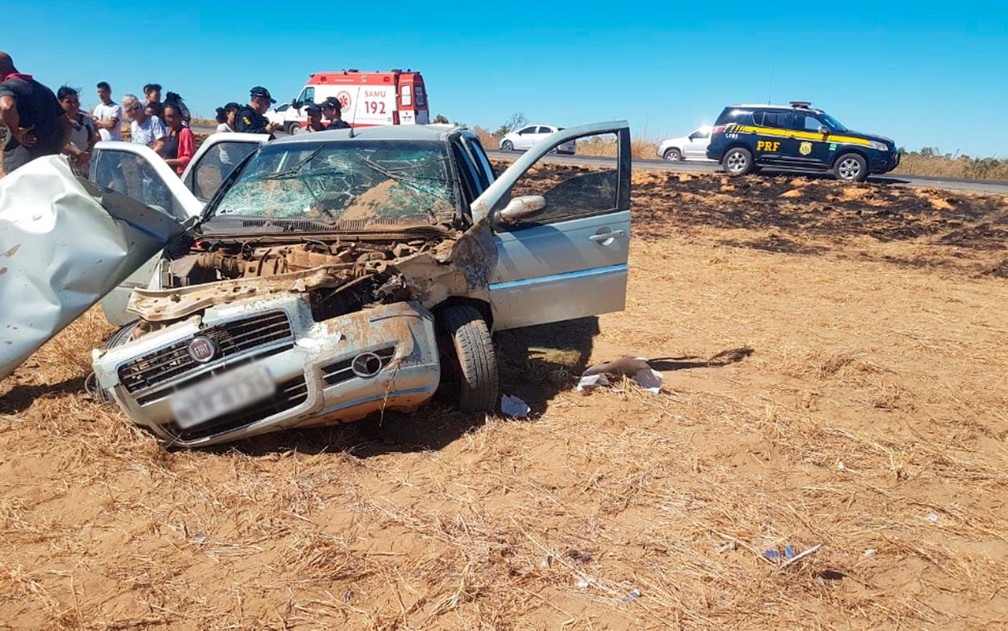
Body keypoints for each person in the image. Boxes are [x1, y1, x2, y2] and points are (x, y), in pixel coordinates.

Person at [0, 51, 71, 175]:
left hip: (21, 168)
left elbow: (7, 107)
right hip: (49, 167)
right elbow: (67, 125)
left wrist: (16, 132)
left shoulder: (7, 87)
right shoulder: (45, 90)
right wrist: (56, 152)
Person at [57, 86, 99, 177]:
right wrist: (77, 152)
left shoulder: (86, 120)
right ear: (60, 103)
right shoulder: (56, 122)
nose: (73, 105)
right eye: (68, 102)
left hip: (86, 164)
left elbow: (94, 140)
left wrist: (87, 154)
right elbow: (58, 141)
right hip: (65, 165)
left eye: (75, 101)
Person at [162, 101, 193, 175]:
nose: (169, 119)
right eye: (167, 116)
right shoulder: (169, 131)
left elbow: (189, 158)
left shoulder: (185, 132)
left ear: (180, 116)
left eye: (172, 116)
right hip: (168, 174)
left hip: (181, 175)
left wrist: (169, 162)